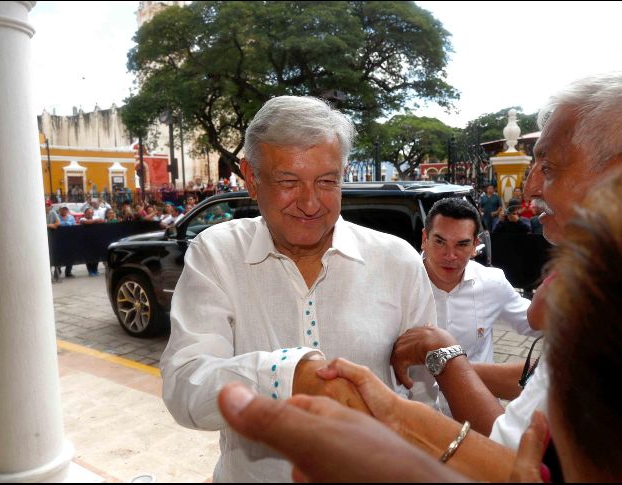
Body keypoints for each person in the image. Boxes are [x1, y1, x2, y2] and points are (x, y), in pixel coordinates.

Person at [218, 136, 622, 483]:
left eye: (583, 266)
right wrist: (396, 416)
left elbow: (508, 439)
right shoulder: (399, 270)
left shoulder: (494, 287)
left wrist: (444, 361)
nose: (539, 309)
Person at [160, 95, 438, 482]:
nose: (310, 203)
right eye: (288, 181)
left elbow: (424, 400)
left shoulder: (398, 262)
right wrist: (286, 376)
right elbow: (185, 388)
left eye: (326, 182)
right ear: (251, 179)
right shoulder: (217, 254)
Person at [418, 197, 539, 365]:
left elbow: (533, 322)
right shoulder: (400, 282)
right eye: (440, 242)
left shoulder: (492, 282)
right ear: (425, 238)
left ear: (475, 245)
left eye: (462, 245)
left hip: (478, 389)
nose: (450, 255)